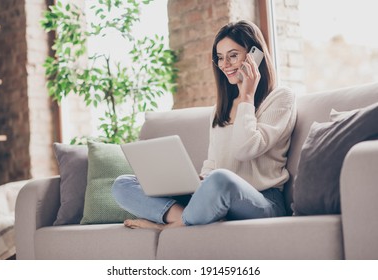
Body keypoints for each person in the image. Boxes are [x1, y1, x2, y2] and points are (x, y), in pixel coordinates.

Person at [111, 20, 297, 230]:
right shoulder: (221, 108)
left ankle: (170, 226)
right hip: (216, 196)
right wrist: (197, 179)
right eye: (220, 58)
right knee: (123, 184)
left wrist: (247, 95)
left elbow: (245, 149)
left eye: (233, 55)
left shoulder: (280, 98)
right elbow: (212, 163)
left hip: (263, 202)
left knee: (220, 179)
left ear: (255, 55)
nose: (225, 64)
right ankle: (182, 217)